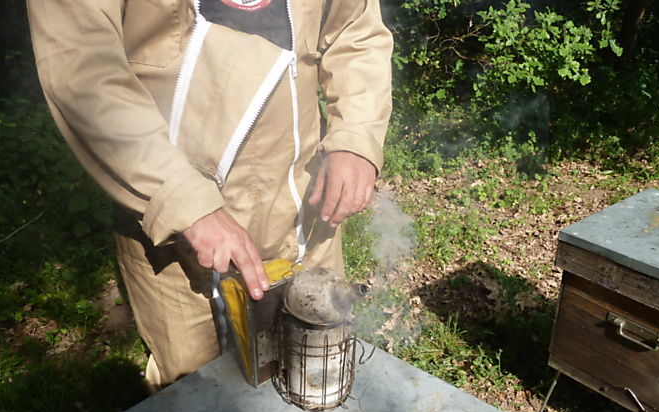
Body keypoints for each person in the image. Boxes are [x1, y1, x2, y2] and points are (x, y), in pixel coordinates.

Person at [26, 0, 393, 389]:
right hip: (177, 229)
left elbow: (354, 29)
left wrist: (356, 137)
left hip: (305, 205)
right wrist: (183, 199)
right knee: (205, 403)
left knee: (318, 371)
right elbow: (84, 72)